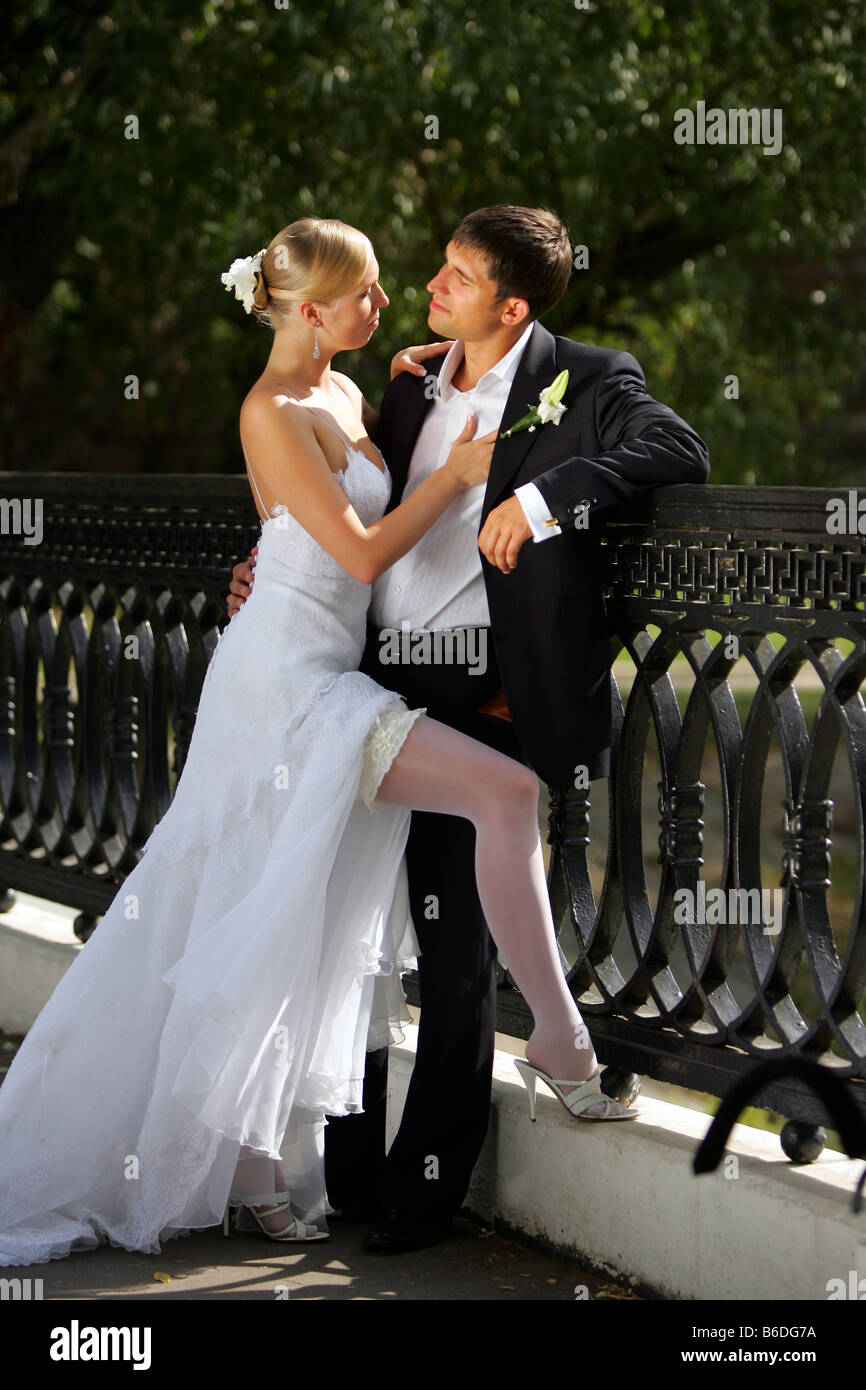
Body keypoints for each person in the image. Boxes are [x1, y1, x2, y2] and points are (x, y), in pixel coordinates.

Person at [0, 216, 636, 1270]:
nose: (389, 305)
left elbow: (289, 538)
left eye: (402, 287)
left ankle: (257, 1166)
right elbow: (359, 544)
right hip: (285, 688)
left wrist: (442, 384)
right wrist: (458, 475)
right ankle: (557, 1047)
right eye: (368, 294)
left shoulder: (354, 391)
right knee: (479, 808)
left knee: (281, 912)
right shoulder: (268, 409)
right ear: (308, 311)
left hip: (334, 671)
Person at [228, 204, 710, 1252]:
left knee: (451, 956)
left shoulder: (580, 377)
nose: (431, 286)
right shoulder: (403, 380)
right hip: (364, 683)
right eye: (439, 266)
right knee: (356, 936)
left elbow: (675, 444)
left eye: (456, 274)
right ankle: (346, 1175)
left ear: (513, 304)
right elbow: (335, 501)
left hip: (479, 696)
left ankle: (418, 1196)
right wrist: (267, 562)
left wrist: (539, 506)